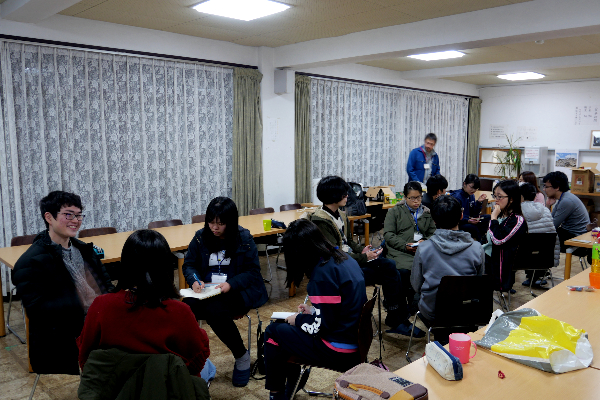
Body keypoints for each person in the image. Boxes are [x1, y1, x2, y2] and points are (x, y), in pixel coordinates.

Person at [77, 230, 210, 386]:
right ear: (166, 266)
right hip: (165, 390)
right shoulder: (180, 312)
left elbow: (85, 357)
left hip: (114, 390)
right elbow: (196, 358)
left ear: (125, 264)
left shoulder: (100, 306)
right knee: (208, 368)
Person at [12, 191, 114, 374]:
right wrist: (88, 308)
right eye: (68, 214)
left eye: (78, 215)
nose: (75, 220)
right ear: (49, 217)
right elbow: (39, 312)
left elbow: (107, 286)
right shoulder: (30, 262)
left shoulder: (85, 251)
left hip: (98, 322)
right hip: (64, 336)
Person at [264, 219, 366, 400]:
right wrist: (313, 311)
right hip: (355, 340)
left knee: (273, 332)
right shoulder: (343, 258)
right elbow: (339, 308)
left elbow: (320, 328)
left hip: (339, 350)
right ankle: (290, 386)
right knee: (283, 334)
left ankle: (277, 394)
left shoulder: (322, 274)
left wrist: (299, 319)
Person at [309, 176, 421, 336]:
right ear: (333, 195)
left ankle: (397, 318)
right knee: (390, 268)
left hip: (350, 262)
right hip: (340, 271)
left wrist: (362, 250)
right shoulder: (321, 220)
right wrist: (365, 257)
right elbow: (335, 254)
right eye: (344, 193)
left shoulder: (339, 214)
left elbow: (347, 242)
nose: (347, 196)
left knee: (399, 272)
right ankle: (397, 319)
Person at [181, 197, 268, 387]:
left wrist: (231, 284)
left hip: (238, 290)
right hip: (208, 290)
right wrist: (195, 280)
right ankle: (192, 358)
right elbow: (189, 265)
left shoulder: (243, 238)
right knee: (184, 308)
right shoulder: (200, 237)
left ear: (231, 222)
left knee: (215, 311)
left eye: (220, 224)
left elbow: (253, 272)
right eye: (211, 222)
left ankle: (241, 356)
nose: (214, 228)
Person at [411, 195, 484, 345]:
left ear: (434, 220)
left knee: (416, 298)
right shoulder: (477, 248)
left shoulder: (424, 248)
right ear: (462, 216)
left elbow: (416, 285)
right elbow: (480, 283)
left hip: (435, 313)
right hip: (468, 312)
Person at [482, 180, 528, 292]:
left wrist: (493, 218)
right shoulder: (501, 215)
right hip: (485, 256)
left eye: (500, 196)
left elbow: (498, 240)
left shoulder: (517, 220)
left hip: (497, 264)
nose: (496, 200)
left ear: (511, 199)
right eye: (495, 196)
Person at [384, 181, 436, 272]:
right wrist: (405, 246)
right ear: (405, 197)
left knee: (434, 267)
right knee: (408, 269)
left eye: (419, 197)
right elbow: (388, 234)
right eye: (412, 198)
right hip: (400, 252)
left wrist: (425, 241)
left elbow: (433, 233)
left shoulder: (426, 213)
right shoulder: (395, 212)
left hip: (422, 250)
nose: (416, 201)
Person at [520, 183, 560, 287]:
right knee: (539, 242)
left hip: (525, 257)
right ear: (535, 196)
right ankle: (538, 276)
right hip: (546, 256)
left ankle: (507, 282)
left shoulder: (519, 210)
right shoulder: (545, 209)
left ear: (521, 196)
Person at [542, 171, 590, 252]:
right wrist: (548, 205)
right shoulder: (564, 197)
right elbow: (551, 220)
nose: (544, 189)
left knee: (540, 238)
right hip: (569, 233)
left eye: (546, 187)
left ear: (557, 187)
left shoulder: (566, 201)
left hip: (577, 238)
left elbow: (552, 226)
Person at [450, 174, 489, 242]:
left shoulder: (471, 195)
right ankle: (480, 243)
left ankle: (482, 237)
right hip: (460, 223)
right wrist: (467, 220)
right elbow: (454, 217)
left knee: (488, 218)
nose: (473, 190)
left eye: (475, 188)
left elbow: (474, 214)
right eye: (471, 187)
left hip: (469, 219)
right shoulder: (457, 197)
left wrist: (479, 202)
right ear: (464, 184)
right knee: (473, 228)